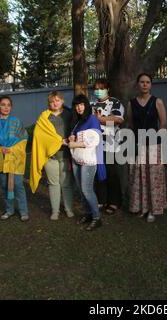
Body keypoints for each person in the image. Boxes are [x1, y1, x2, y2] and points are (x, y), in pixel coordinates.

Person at [127, 73, 167, 223]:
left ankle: (152, 209)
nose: (145, 84)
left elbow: (163, 123)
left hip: (153, 145)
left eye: (147, 82)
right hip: (137, 144)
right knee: (138, 177)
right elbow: (131, 123)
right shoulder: (131, 103)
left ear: (151, 85)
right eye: (142, 82)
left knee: (152, 177)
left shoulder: (157, 102)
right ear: (138, 84)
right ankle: (141, 208)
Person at [0, 96, 29, 222]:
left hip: (14, 157)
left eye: (8, 105)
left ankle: (24, 211)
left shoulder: (17, 122)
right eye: (3, 105)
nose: (6, 107)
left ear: (11, 107)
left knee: (18, 184)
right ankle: (9, 210)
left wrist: (12, 149)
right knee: (4, 185)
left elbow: (24, 139)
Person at [30, 91, 74, 220]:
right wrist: (58, 141)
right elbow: (39, 135)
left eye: (57, 100)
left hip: (65, 155)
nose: (55, 103)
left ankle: (69, 208)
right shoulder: (44, 117)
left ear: (62, 101)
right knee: (53, 183)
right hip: (50, 156)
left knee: (66, 183)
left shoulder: (69, 115)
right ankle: (55, 211)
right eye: (52, 101)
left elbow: (76, 129)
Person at [68, 94, 106, 231]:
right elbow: (77, 139)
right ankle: (88, 213)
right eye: (77, 105)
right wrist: (70, 138)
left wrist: (75, 144)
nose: (79, 107)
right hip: (77, 160)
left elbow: (93, 141)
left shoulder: (92, 119)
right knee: (81, 189)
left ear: (86, 105)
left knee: (87, 189)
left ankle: (97, 218)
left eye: (81, 104)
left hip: (89, 161)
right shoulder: (78, 122)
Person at [90, 78, 125, 214]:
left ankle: (114, 201)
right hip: (95, 145)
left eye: (101, 88)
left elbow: (117, 119)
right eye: (96, 89)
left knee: (112, 173)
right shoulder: (91, 104)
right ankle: (101, 199)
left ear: (108, 89)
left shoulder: (115, 102)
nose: (98, 91)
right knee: (99, 172)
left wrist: (99, 119)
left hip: (111, 143)